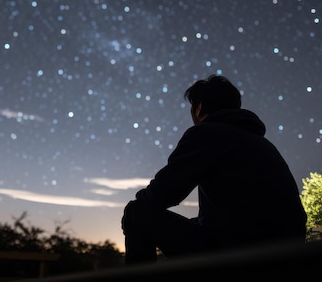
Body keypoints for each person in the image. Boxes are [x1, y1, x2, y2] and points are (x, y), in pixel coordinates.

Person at [121, 74, 307, 265]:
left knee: (136, 212)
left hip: (239, 249)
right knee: (196, 223)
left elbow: (163, 193)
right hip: (287, 250)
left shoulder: (205, 132)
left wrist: (139, 206)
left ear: (199, 108)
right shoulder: (263, 143)